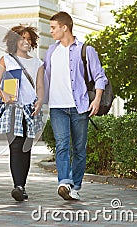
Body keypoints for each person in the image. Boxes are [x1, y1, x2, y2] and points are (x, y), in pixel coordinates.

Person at [43, 11, 108, 200]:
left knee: (79, 148)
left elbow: (99, 77)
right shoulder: (51, 51)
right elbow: (45, 77)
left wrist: (96, 99)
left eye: (53, 27)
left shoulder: (86, 50)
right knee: (62, 145)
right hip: (57, 107)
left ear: (65, 27)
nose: (51, 31)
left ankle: (76, 186)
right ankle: (64, 182)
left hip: (80, 106)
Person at [0, 25, 44, 202]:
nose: (26, 42)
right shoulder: (6, 60)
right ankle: (18, 186)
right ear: (15, 41)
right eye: (22, 38)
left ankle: (22, 184)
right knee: (15, 148)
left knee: (26, 148)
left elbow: (40, 87)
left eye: (29, 39)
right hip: (12, 109)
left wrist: (40, 101)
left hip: (30, 109)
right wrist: (4, 94)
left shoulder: (37, 63)